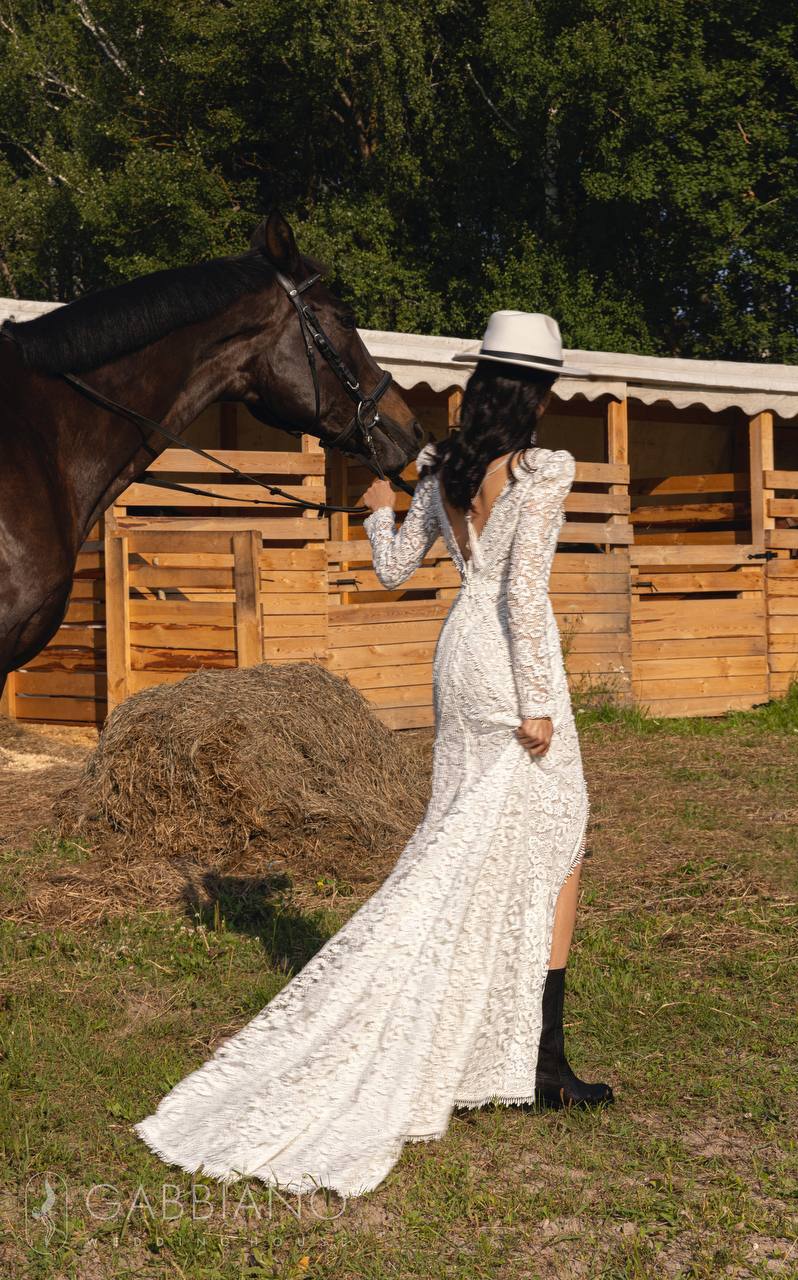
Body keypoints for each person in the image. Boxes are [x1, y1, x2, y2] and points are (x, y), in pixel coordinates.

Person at [132, 310, 614, 1201]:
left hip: (456, 657)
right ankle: (541, 1062)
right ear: (538, 393)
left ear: (480, 385)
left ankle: (515, 1047)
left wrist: (377, 514)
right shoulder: (543, 469)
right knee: (555, 840)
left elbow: (393, 568)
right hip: (510, 663)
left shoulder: (444, 468)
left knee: (463, 838)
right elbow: (525, 592)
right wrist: (540, 704)